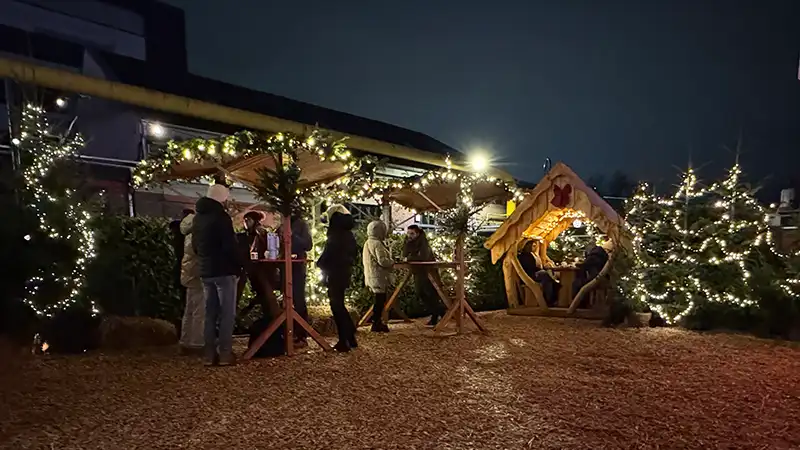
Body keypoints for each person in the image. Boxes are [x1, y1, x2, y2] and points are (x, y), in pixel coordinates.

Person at [192, 183, 243, 366]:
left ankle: (209, 354)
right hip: (224, 271)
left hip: (206, 271)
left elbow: (195, 246)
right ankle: (225, 354)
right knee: (227, 314)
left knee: (210, 313)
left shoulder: (198, 218)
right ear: (223, 198)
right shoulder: (221, 218)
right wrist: (240, 265)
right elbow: (230, 246)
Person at [317, 204, 359, 352]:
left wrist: (320, 263)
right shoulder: (349, 234)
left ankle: (344, 339)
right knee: (339, 305)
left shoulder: (335, 234)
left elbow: (329, 253)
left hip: (334, 273)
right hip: (344, 272)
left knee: (336, 306)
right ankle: (350, 336)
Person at [277, 210, 313, 347]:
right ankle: (288, 333)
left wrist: (293, 237)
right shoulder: (283, 223)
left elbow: (308, 245)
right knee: (286, 299)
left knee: (298, 299)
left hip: (297, 267)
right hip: (284, 266)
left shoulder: (301, 224)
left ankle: (301, 335)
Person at [236, 211, 281, 320]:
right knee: (262, 296)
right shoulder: (246, 234)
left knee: (265, 296)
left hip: (261, 269)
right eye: (245, 220)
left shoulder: (260, 232)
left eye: (249, 220)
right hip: (250, 268)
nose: (246, 223)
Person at [402, 225, 445, 326]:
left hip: (427, 271)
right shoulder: (410, 242)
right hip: (418, 271)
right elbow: (404, 254)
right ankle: (439, 311)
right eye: (408, 233)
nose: (409, 236)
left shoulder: (423, 243)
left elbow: (423, 257)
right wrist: (407, 245)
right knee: (421, 293)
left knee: (430, 293)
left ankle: (437, 314)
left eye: (412, 233)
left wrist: (410, 258)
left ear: (417, 233)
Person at [178, 211, 204, 354]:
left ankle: (186, 340)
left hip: (188, 272)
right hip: (197, 273)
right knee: (200, 310)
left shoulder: (188, 233)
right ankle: (197, 342)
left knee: (190, 309)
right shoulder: (198, 233)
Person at [362, 219, 394, 333]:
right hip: (378, 276)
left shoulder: (367, 242)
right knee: (380, 301)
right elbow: (383, 261)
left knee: (378, 300)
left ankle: (376, 322)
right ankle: (376, 323)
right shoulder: (377, 244)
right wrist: (392, 261)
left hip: (370, 275)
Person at [517, 239, 560, 307]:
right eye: (531, 246)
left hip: (533, 273)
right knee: (544, 275)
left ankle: (551, 296)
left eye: (534, 246)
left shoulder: (531, 255)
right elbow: (530, 268)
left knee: (546, 277)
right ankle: (550, 297)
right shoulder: (524, 256)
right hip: (528, 276)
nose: (532, 247)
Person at [572, 242, 610, 308]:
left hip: (597, 279)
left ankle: (580, 305)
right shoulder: (601, 254)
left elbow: (584, 265)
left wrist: (577, 264)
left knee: (577, 283)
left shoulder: (594, 255)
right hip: (604, 278)